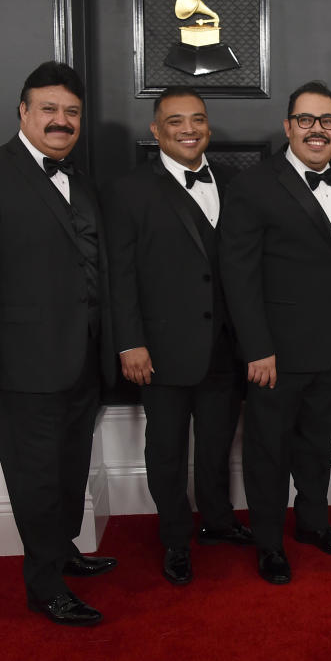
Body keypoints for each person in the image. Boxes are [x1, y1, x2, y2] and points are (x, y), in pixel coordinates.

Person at [0, 61, 116, 626]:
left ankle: (62, 551)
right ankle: (44, 586)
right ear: (22, 111)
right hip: (20, 365)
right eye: (49, 109)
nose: (61, 120)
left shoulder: (81, 180)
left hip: (81, 359)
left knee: (69, 468)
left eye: (71, 112)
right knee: (35, 477)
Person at [102, 86, 252, 586]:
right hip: (159, 350)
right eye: (175, 121)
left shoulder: (233, 183)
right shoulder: (129, 190)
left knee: (215, 444)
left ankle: (217, 520)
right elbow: (118, 275)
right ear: (156, 130)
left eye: (197, 119)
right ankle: (174, 539)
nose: (189, 129)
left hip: (225, 348)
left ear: (208, 125)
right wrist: (129, 341)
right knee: (166, 450)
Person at [220, 81, 331, 585]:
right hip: (276, 354)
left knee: (317, 445)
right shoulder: (253, 186)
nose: (316, 130)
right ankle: (267, 543)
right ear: (288, 127)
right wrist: (257, 348)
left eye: (327, 121)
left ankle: (312, 524)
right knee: (267, 451)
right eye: (306, 120)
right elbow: (238, 276)